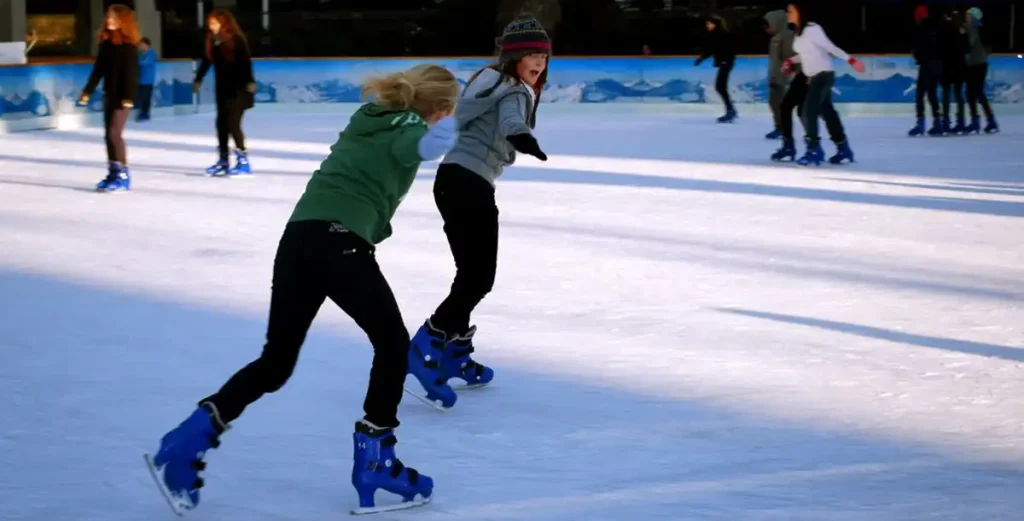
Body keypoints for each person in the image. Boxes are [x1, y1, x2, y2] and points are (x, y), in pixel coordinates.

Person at [144, 64, 459, 516]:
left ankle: (187, 440)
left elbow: (402, 141)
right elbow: (413, 143)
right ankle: (376, 460)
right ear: (441, 109)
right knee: (391, 342)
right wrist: (436, 139)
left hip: (298, 241)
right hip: (340, 242)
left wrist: (431, 136)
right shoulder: (409, 125)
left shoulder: (368, 117)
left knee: (276, 363)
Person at [406, 14, 550, 410]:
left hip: (451, 181)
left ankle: (453, 353)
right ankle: (428, 344)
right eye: (530, 55)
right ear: (514, 58)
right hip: (470, 184)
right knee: (478, 278)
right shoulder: (514, 89)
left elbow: (466, 117)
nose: (538, 62)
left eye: (542, 55)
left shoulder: (485, 81)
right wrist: (523, 138)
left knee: (471, 276)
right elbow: (511, 122)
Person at [782, 2, 865, 166]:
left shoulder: (813, 29)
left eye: (790, 11)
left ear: (800, 12)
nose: (787, 14)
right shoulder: (799, 33)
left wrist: (851, 60)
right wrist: (791, 60)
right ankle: (843, 148)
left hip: (823, 75)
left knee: (807, 110)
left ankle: (814, 149)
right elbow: (807, 54)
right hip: (812, 77)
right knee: (827, 112)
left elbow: (830, 48)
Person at [78, 4, 140, 193]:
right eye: (108, 17)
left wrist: (128, 97)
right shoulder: (106, 45)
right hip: (109, 95)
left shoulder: (128, 47)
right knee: (108, 135)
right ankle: (113, 172)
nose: (109, 20)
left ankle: (122, 175)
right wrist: (87, 91)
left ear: (124, 21)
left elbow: (131, 74)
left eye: (113, 18)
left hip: (123, 97)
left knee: (115, 134)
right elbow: (98, 71)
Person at [194, 9, 256, 177]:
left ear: (224, 23)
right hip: (223, 90)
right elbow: (207, 61)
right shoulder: (214, 42)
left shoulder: (237, 41)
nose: (211, 27)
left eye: (214, 23)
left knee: (233, 124)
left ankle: (243, 161)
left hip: (239, 90)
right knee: (221, 125)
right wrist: (198, 79)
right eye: (210, 24)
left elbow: (245, 63)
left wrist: (250, 82)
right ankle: (223, 161)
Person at [695, 15, 737, 123]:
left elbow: (730, 49)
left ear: (715, 24)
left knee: (720, 86)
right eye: (707, 24)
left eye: (709, 24)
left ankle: (731, 110)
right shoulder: (714, 35)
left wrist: (726, 60)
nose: (707, 26)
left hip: (726, 63)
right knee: (720, 87)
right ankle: (730, 110)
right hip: (724, 63)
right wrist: (701, 58)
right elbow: (711, 49)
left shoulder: (722, 35)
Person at [909, 5, 944, 137]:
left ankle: (920, 123)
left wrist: (918, 57)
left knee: (920, 94)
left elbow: (917, 48)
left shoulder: (920, 29)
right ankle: (937, 122)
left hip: (927, 65)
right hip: (938, 65)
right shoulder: (936, 28)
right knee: (932, 94)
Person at [964, 7, 999, 134]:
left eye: (968, 16)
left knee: (974, 93)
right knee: (975, 93)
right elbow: (988, 47)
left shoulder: (972, 28)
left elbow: (969, 45)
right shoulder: (981, 29)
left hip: (975, 65)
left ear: (973, 18)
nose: (966, 18)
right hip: (980, 64)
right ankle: (988, 120)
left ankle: (979, 121)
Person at [764, 9, 796, 139]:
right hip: (776, 77)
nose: (766, 28)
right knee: (774, 102)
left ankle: (784, 131)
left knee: (783, 104)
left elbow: (790, 58)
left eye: (768, 24)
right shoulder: (776, 38)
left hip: (783, 77)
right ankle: (780, 128)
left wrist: (782, 75)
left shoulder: (788, 37)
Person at [939, 10, 968, 134]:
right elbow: (967, 48)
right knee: (958, 94)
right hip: (959, 67)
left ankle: (946, 121)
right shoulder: (962, 31)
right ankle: (960, 121)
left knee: (946, 94)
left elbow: (941, 47)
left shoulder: (945, 30)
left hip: (947, 67)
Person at [136, 37, 157, 122]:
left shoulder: (152, 54)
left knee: (146, 97)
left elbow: (145, 63)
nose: (141, 46)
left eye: (142, 44)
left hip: (148, 80)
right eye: (140, 45)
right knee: (142, 97)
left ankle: (145, 113)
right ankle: (142, 112)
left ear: (147, 45)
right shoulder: (140, 54)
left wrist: (135, 61)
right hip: (140, 79)